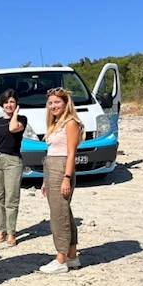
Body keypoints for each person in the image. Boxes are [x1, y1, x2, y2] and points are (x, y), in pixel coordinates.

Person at [38, 87, 85, 274]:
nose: (53, 106)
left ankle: (60, 259)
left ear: (66, 103)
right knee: (65, 213)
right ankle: (72, 256)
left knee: (59, 216)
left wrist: (66, 178)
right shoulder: (56, 123)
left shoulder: (71, 123)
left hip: (62, 169)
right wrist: (45, 180)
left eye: (57, 102)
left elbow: (71, 153)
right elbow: (52, 151)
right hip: (52, 168)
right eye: (50, 103)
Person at [0, 89, 28, 246]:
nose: (9, 105)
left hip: (12, 161)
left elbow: (12, 128)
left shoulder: (21, 119)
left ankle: (11, 232)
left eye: (12, 102)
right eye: (6, 102)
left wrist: (15, 113)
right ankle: (2, 230)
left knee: (11, 198)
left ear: (17, 104)